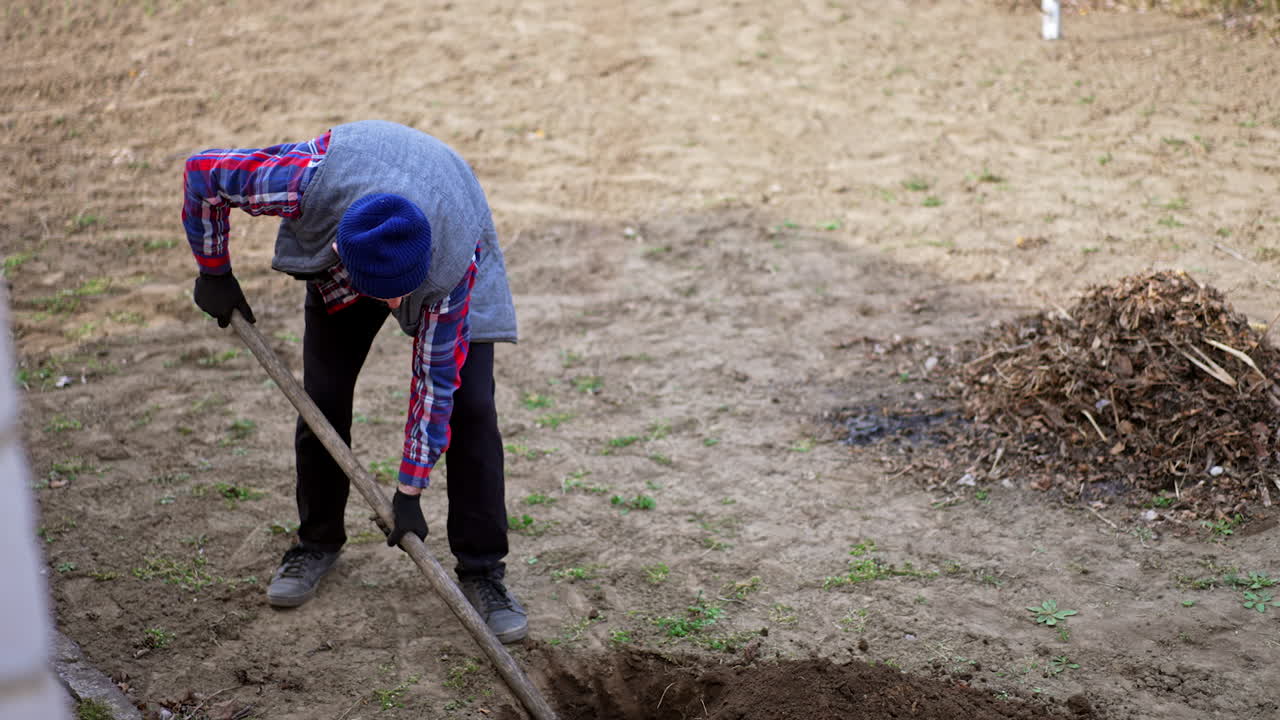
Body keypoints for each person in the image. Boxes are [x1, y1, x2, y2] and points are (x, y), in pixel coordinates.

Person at [180, 120, 526, 643]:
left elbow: (434, 382)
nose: (393, 312)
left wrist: (409, 489)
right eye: (382, 297)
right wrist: (214, 271)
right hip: (353, 216)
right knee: (323, 395)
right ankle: (316, 541)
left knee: (471, 407)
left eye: (399, 298)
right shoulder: (302, 183)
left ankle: (483, 571)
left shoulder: (451, 265)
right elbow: (204, 173)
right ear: (341, 255)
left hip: (451, 210)